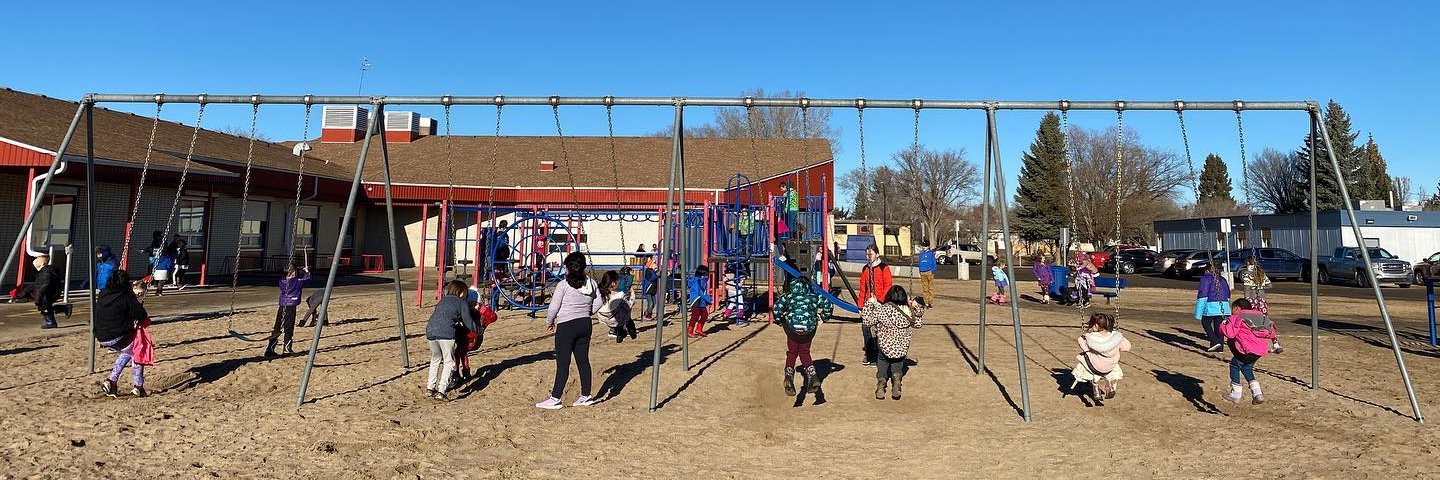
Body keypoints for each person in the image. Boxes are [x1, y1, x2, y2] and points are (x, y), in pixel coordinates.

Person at [536, 252, 603, 410]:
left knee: (563, 363)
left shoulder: (564, 285)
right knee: (583, 361)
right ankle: (586, 396)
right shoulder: (591, 283)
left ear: (568, 268)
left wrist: (549, 321)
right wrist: (587, 312)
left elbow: (554, 307)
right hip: (585, 324)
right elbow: (599, 301)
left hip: (567, 325)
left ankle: (555, 398)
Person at [774, 260, 828, 396]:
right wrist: (822, 318)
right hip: (808, 331)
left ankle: (789, 377)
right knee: (804, 351)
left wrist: (780, 321)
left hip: (792, 330)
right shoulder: (814, 296)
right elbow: (828, 304)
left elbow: (777, 308)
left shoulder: (789, 296)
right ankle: (813, 377)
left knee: (792, 352)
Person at [861, 285, 923, 400]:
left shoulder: (882, 310)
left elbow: (866, 321)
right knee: (898, 361)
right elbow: (918, 324)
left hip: (885, 347)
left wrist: (870, 303)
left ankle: (881, 381)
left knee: (882, 360)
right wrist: (915, 307)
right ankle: (897, 378)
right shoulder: (908, 311)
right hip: (901, 348)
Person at [95, 269, 149, 397]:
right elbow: (141, 315)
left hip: (101, 335)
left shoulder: (103, 293)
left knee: (128, 350)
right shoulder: (126, 296)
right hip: (116, 335)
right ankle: (136, 386)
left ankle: (113, 383)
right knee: (137, 349)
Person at [425, 280, 479, 401]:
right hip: (446, 334)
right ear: (461, 293)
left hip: (431, 331)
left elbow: (443, 316)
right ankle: (441, 391)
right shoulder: (461, 303)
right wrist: (478, 330)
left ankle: (430, 388)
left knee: (435, 359)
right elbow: (468, 322)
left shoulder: (442, 300)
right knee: (449, 362)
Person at [1221, 298, 1277, 405]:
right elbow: (1272, 333)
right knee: (1246, 367)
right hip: (1259, 351)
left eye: (1232, 309)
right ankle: (1257, 394)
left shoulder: (1237, 317)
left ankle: (1236, 394)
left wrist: (1224, 324)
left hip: (1246, 350)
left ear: (1237, 308)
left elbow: (1230, 334)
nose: (1231, 312)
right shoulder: (1261, 317)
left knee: (1234, 364)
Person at [1071, 312, 1132, 400]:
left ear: (1095, 326)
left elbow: (1084, 347)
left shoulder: (1091, 338)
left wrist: (1083, 337)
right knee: (1111, 360)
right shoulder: (1115, 337)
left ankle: (1095, 387)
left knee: (1086, 356)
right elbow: (1127, 347)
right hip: (1110, 367)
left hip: (1094, 367)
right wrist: (1119, 338)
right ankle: (1109, 383)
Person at [857, 244, 893, 366]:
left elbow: (888, 286)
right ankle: (870, 354)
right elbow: (863, 288)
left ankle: (880, 355)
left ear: (877, 254)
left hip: (881, 303)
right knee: (866, 329)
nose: (869, 257)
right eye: (867, 254)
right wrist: (860, 306)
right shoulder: (865, 269)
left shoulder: (884, 268)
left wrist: (879, 300)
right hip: (868, 304)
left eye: (871, 254)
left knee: (879, 331)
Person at [1238, 257, 1281, 354]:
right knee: (1265, 321)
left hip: (1252, 300)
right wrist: (1261, 287)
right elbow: (1269, 285)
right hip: (1262, 301)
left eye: (1248, 264)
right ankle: (1275, 342)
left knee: (1250, 322)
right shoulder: (1261, 273)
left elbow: (1246, 289)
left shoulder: (1246, 274)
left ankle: (1253, 343)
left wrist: (1247, 298)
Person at [265, 264, 310, 357]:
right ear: (293, 273)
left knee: (277, 327)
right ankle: (287, 348)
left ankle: (270, 348)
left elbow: (296, 278)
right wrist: (307, 272)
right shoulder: (296, 282)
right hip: (291, 306)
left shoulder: (282, 281)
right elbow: (306, 279)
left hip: (282, 305)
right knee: (289, 327)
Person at [1195, 263, 1233, 352]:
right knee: (1219, 326)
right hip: (1223, 305)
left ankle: (1214, 341)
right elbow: (1228, 293)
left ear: (1207, 270)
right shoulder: (1222, 279)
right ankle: (1220, 348)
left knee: (1206, 322)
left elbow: (1203, 294)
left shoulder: (1206, 278)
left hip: (1211, 305)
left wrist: (1198, 313)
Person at [598, 271, 637, 343]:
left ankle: (621, 333)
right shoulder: (620, 295)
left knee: (619, 321)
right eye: (618, 281)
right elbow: (629, 305)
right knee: (627, 318)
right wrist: (632, 295)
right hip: (618, 319)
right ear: (613, 283)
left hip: (605, 318)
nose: (619, 282)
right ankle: (631, 331)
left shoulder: (600, 293)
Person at [32, 255, 62, 329]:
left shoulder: (45, 272)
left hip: (47, 294)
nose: (36, 261)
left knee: (45, 308)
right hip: (50, 293)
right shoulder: (46, 271)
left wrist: (37, 298)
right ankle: (64, 308)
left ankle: (51, 322)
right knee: (46, 307)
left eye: (38, 260)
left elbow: (43, 286)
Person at [686, 265, 714, 338]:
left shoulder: (702, 280)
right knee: (695, 316)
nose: (708, 276)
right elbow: (701, 292)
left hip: (701, 299)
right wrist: (709, 299)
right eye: (707, 274)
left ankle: (699, 329)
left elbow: (703, 292)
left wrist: (706, 300)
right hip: (696, 299)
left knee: (704, 315)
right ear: (703, 274)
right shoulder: (698, 281)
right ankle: (689, 330)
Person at [917, 243, 936, 307]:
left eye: (925, 246)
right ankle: (926, 302)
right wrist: (920, 270)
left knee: (930, 288)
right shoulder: (921, 253)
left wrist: (932, 270)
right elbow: (919, 262)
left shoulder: (931, 253)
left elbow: (934, 262)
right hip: (922, 272)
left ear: (928, 247)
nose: (924, 247)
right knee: (925, 288)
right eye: (923, 246)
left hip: (929, 272)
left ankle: (930, 302)